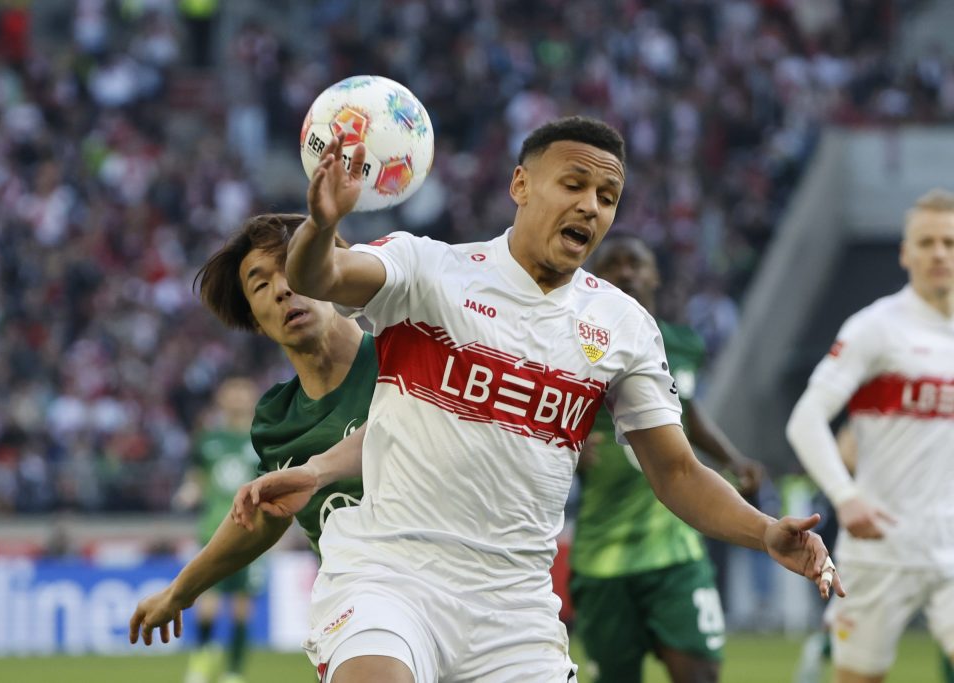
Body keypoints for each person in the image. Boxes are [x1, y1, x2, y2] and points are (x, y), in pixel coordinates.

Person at [236, 116, 842, 683]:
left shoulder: (624, 327)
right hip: (391, 576)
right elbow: (321, 278)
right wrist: (320, 228)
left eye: (607, 197)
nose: (591, 206)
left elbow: (677, 472)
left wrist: (765, 531)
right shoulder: (428, 270)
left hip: (515, 606)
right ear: (520, 185)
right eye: (573, 184)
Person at [128, 213, 375, 661]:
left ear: (334, 273)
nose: (281, 289)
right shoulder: (276, 421)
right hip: (362, 612)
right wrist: (180, 591)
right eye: (260, 285)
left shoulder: (407, 356)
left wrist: (316, 471)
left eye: (293, 268)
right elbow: (264, 516)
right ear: (256, 322)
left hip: (467, 589)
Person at [570, 234, 764, 683]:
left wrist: (733, 459)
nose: (626, 272)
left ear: (654, 275)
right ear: (595, 279)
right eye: (613, 264)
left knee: (701, 675)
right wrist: (567, 445)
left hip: (675, 550)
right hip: (603, 555)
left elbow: (688, 411)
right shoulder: (569, 343)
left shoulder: (681, 345)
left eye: (636, 262)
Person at [787, 188, 954, 683]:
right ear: (905, 253)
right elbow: (805, 419)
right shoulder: (875, 328)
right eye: (926, 242)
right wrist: (846, 497)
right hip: (881, 549)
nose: (939, 253)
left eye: (949, 242)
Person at [173, 376, 262, 683]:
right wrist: (188, 492)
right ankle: (201, 663)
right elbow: (197, 478)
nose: (237, 396)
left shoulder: (263, 437)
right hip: (214, 530)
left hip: (254, 534)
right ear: (220, 398)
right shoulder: (208, 439)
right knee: (207, 603)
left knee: (241, 606)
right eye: (231, 390)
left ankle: (233, 673)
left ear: (252, 397)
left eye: (242, 390)